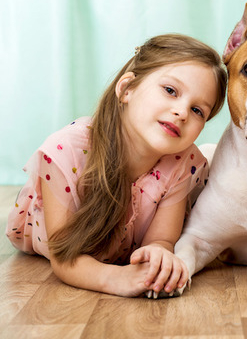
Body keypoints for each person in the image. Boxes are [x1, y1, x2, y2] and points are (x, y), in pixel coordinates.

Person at [6, 34, 227, 298]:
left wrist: (157, 254)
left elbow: (161, 240)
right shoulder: (65, 153)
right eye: (170, 90)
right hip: (59, 242)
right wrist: (114, 278)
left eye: (197, 111)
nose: (181, 111)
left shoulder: (182, 164)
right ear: (127, 89)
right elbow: (64, 258)